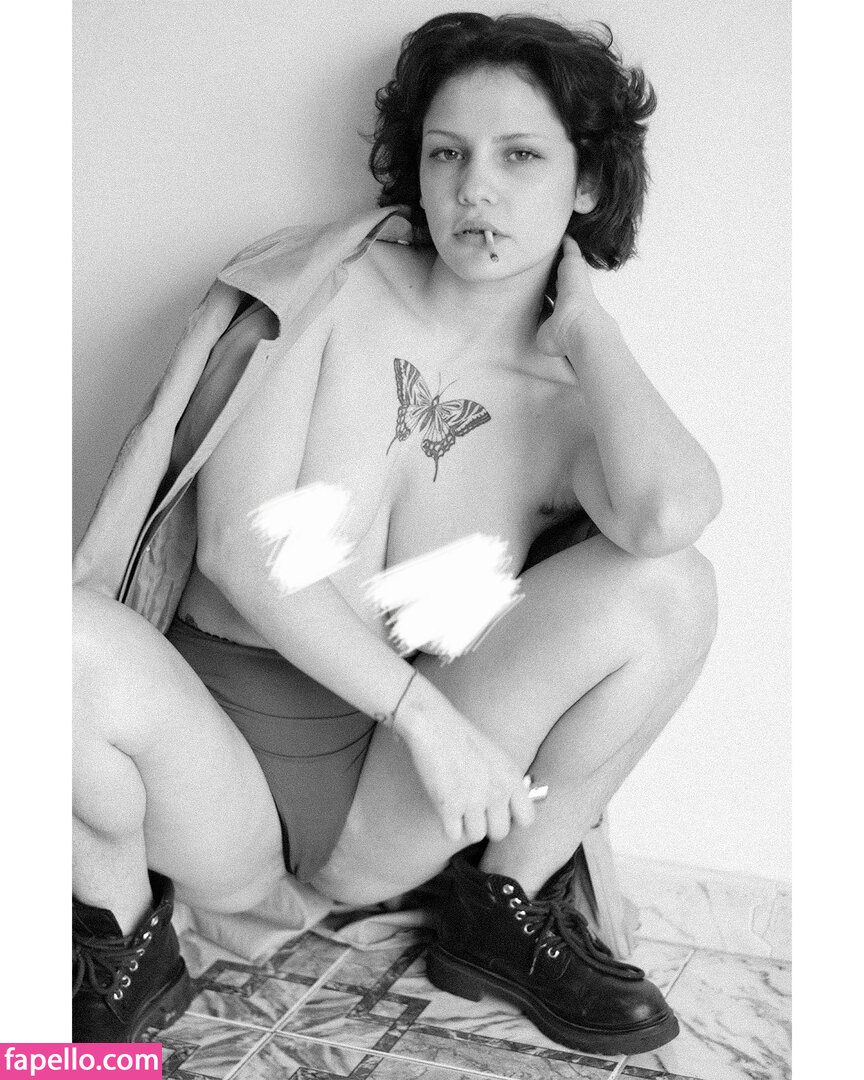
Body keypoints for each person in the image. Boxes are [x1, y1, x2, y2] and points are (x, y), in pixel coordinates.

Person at [72, 11, 721, 1055]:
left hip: (381, 810)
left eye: (520, 157)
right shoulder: (321, 287)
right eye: (447, 153)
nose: (475, 190)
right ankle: (116, 942)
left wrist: (589, 328)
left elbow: (669, 516)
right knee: (48, 634)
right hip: (206, 764)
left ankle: (499, 913)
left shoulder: (569, 404)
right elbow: (241, 547)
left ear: (588, 181)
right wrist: (432, 724)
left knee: (673, 587)